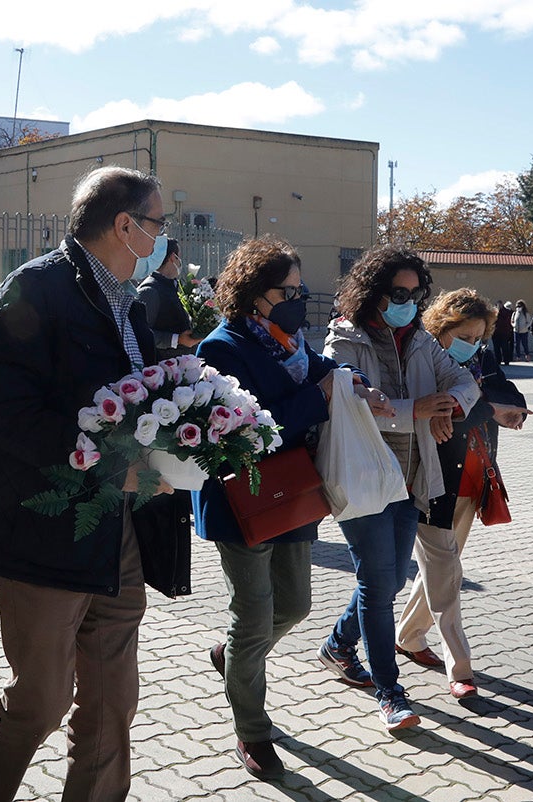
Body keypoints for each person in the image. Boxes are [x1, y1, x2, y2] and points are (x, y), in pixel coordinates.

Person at [0, 165, 188, 802]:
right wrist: (108, 463)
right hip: (41, 532)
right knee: (43, 698)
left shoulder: (129, 301)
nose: (164, 238)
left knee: (111, 704)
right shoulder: (36, 290)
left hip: (117, 533)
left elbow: (129, 399)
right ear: (124, 225)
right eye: (158, 224)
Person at [192, 235, 392, 776]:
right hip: (242, 497)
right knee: (252, 617)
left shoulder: (291, 340)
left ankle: (232, 657)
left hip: (293, 492)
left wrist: (357, 386)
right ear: (256, 293)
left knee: (297, 604)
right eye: (288, 289)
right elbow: (245, 429)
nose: (298, 298)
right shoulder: (221, 348)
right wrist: (319, 399)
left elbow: (328, 372)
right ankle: (252, 733)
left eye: (300, 288)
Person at [320, 244, 479, 733]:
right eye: (398, 292)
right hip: (364, 479)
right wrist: (419, 410)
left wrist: (449, 403)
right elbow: (353, 406)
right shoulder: (342, 343)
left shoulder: (421, 340)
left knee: (388, 581)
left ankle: (337, 645)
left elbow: (464, 381)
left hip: (411, 481)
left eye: (414, 292)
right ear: (373, 292)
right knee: (376, 584)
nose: (408, 300)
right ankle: (391, 693)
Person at [397, 289, 529, 699]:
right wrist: (482, 407)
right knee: (447, 574)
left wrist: (502, 406)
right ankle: (461, 665)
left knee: (441, 569)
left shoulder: (481, 358)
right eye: (465, 335)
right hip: (431, 482)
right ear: (442, 326)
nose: (473, 344)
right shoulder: (422, 359)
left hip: (473, 480)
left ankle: (408, 636)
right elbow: (439, 409)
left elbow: (506, 393)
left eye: (479, 336)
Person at [136, 238, 202, 361]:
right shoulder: (150, 291)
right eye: (179, 256)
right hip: (162, 368)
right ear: (173, 257)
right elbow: (140, 333)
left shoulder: (174, 286)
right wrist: (177, 339)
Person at [492, 301, 514, 365]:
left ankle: (506, 360)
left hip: (504, 333)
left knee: (505, 347)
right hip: (495, 333)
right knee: (496, 348)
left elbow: (508, 320)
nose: (499, 306)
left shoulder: (506, 312)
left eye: (500, 305)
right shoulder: (493, 313)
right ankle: (498, 360)